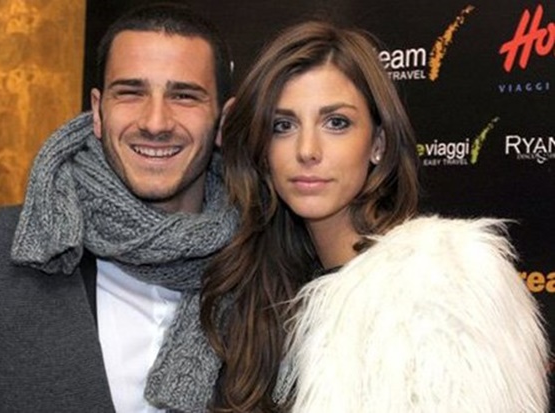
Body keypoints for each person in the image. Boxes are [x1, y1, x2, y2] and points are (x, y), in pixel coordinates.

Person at [201, 21, 549, 412]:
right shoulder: (266, 292)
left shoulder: (441, 284)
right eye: (283, 126)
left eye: (336, 123)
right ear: (262, 148)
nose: (307, 150)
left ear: (378, 144)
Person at [0, 3, 237, 412]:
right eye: (130, 92)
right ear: (97, 111)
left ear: (223, 122)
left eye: (184, 96)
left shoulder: (264, 270)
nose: (155, 122)